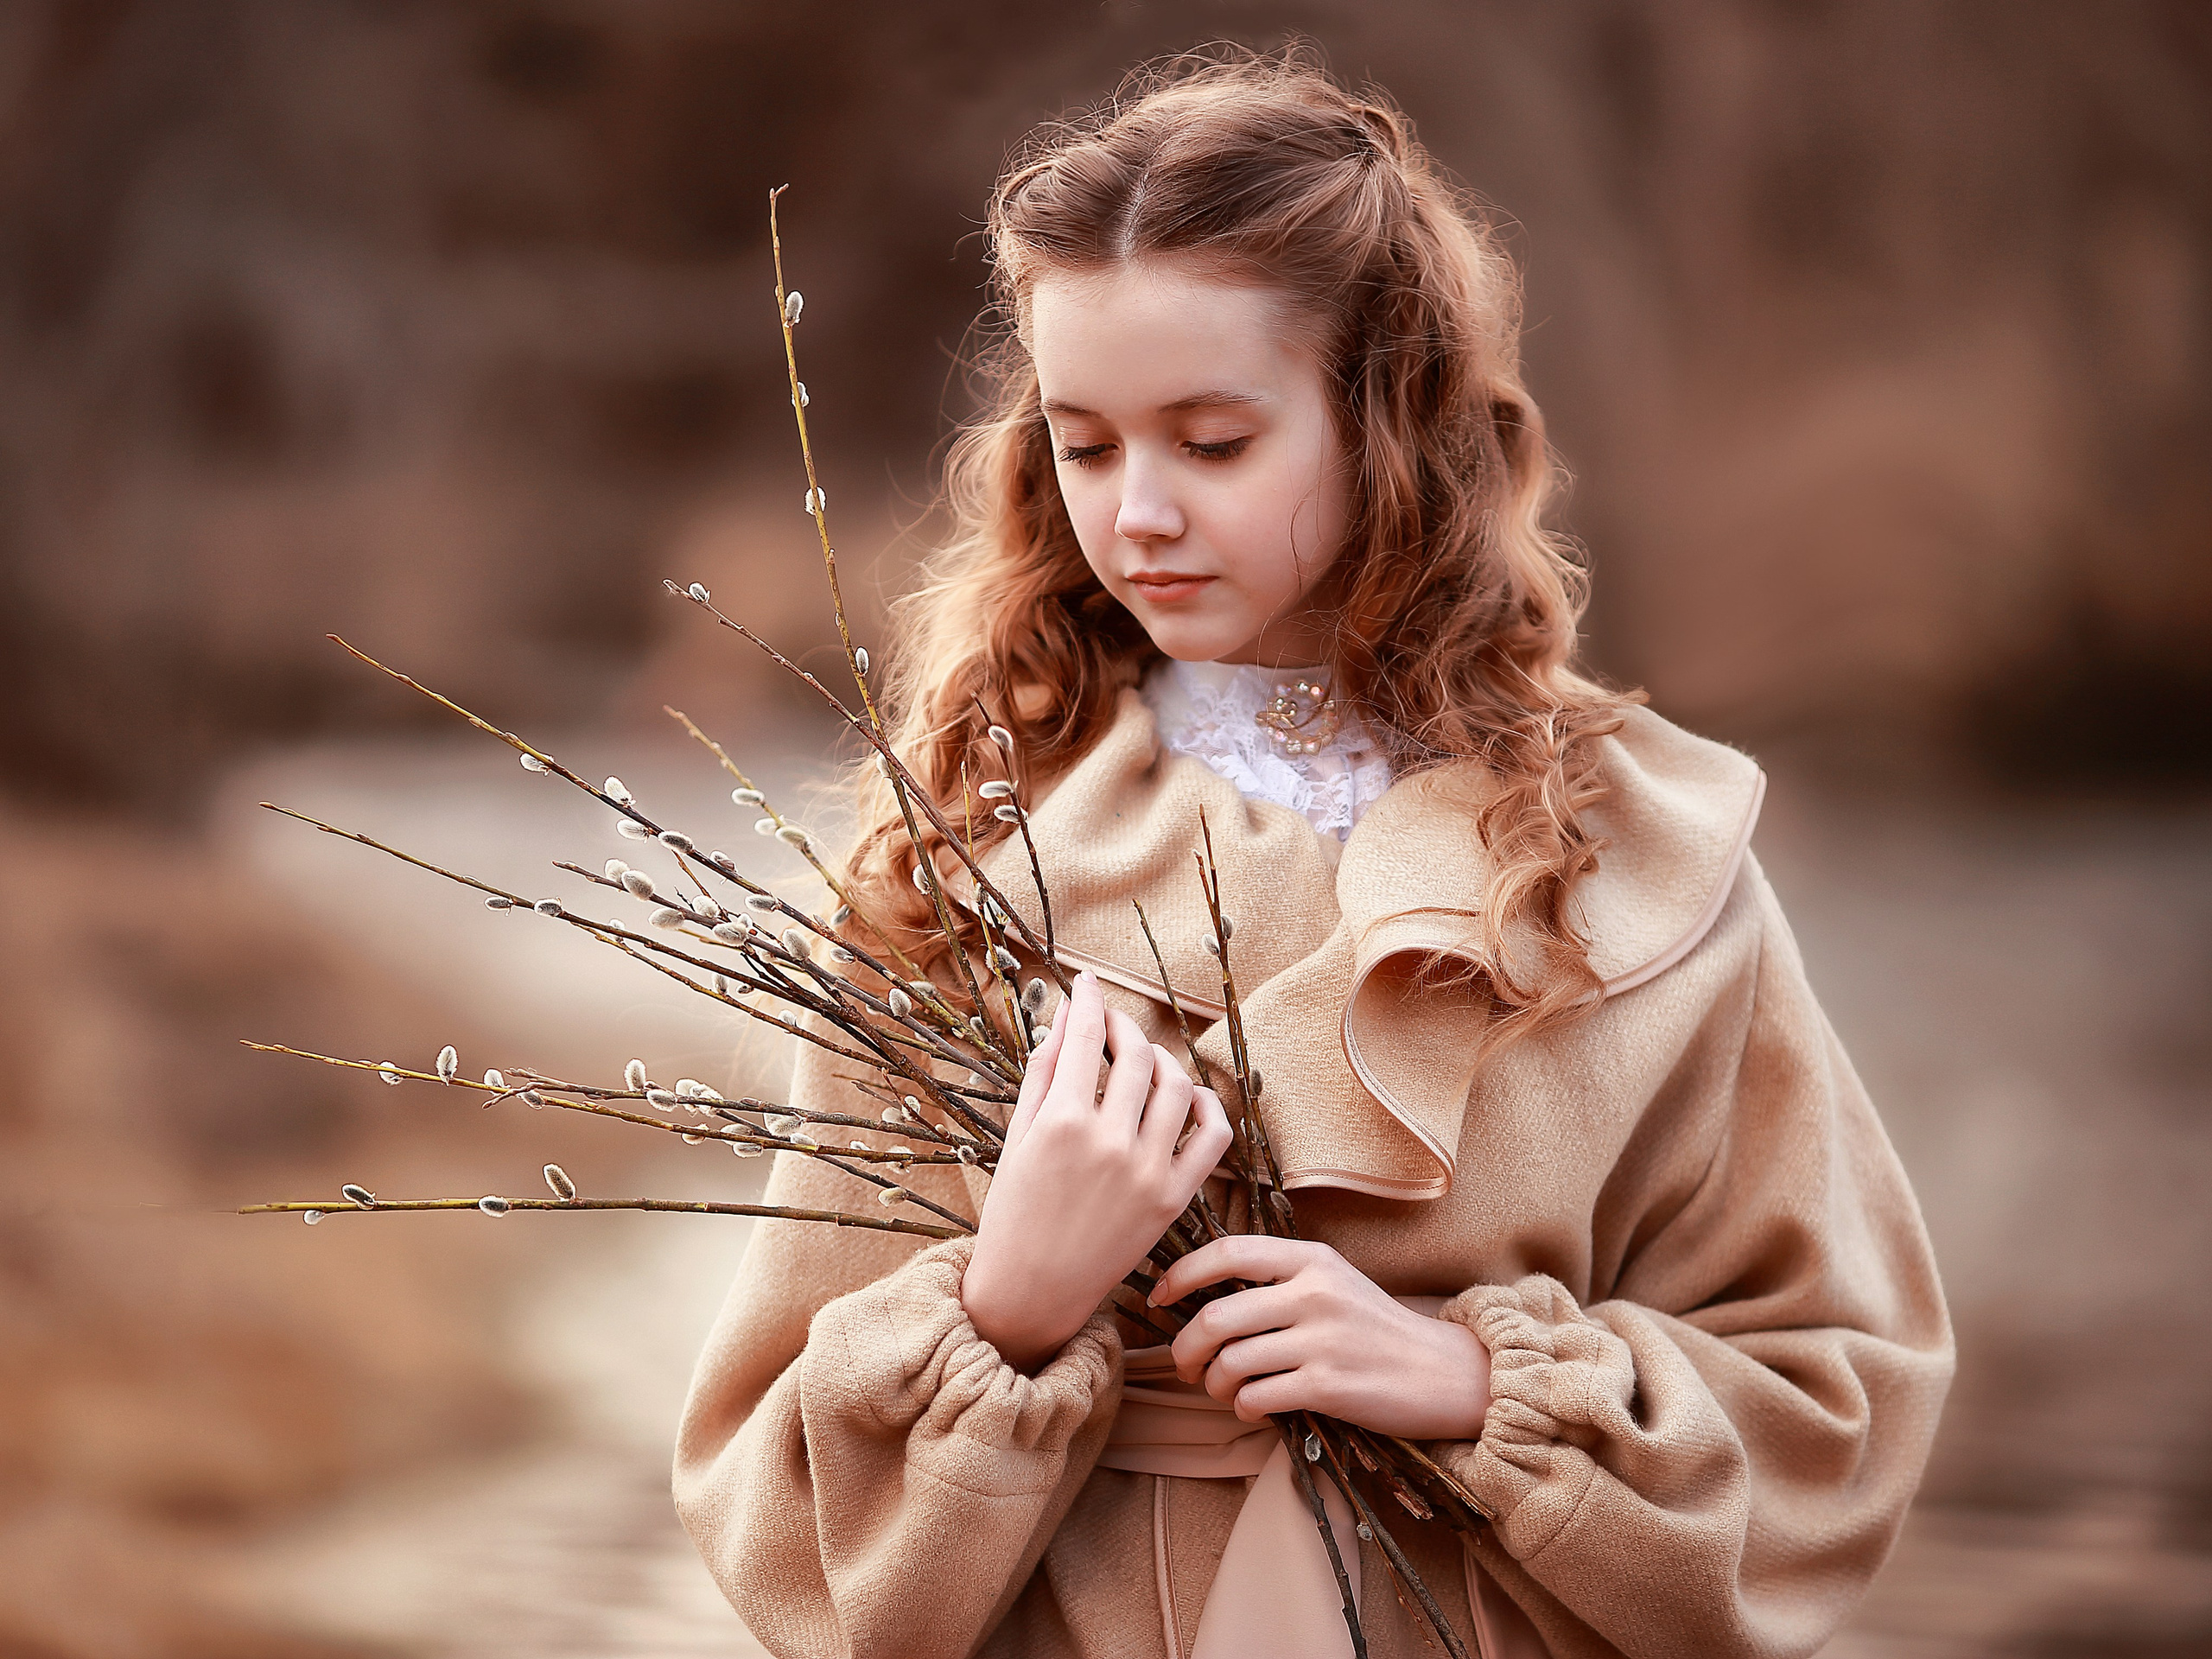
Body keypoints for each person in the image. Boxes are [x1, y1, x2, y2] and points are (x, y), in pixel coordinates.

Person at [675, 49, 1952, 1659]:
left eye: (1214, 442)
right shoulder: (966, 864)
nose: (1138, 514)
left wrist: (1475, 1382)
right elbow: (774, 1520)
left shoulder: (1641, 862)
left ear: (1384, 421)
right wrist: (1008, 1308)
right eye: (1087, 445)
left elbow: (1837, 1397)